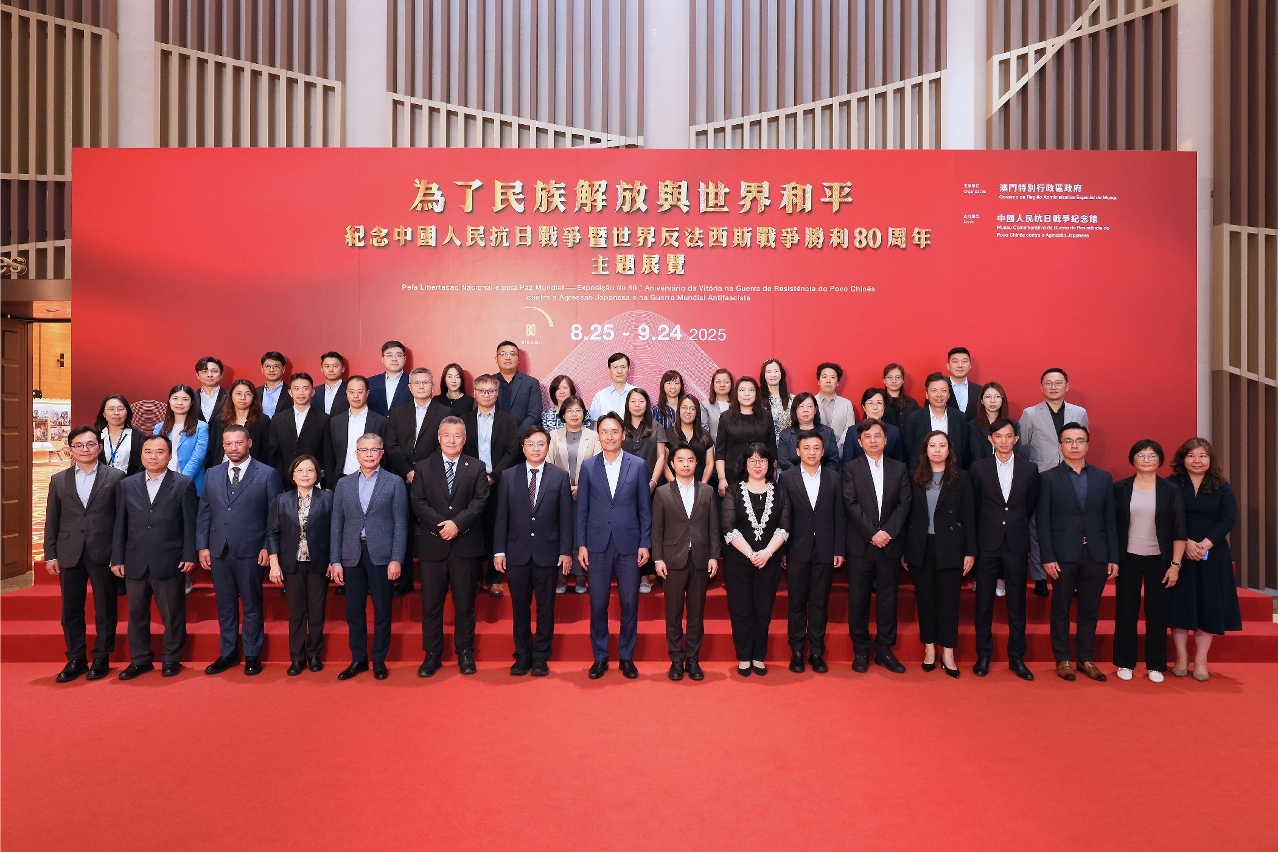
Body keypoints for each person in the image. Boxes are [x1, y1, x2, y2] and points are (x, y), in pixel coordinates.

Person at [110, 434, 199, 680]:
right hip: (135, 559)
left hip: (169, 559)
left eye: (160, 452)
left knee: (172, 613)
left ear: (169, 456)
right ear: (141, 455)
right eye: (148, 451)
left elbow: (190, 524)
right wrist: (117, 557)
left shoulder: (183, 484)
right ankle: (140, 660)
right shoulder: (127, 484)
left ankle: (171, 658)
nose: (153, 456)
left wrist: (189, 554)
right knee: (136, 614)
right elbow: (120, 524)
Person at [196, 424, 283, 676]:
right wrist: (202, 546)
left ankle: (253, 654)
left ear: (249, 443)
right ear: (223, 445)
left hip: (251, 550)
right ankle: (228, 654)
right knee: (225, 605)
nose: (233, 448)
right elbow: (204, 512)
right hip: (219, 549)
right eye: (228, 444)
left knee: (252, 605)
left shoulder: (267, 474)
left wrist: (268, 546)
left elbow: (274, 516)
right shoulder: (212, 473)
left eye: (238, 442)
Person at [1038, 423, 1119, 682]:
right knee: (1060, 609)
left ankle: (1085, 658)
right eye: (1069, 441)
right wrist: (1047, 556)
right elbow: (1042, 521)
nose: (1074, 446)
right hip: (1062, 555)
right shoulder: (1048, 478)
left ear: (1087, 445)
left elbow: (1110, 521)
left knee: (1090, 610)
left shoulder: (1103, 478)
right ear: (1060, 446)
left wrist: (1113, 556)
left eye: (1080, 440)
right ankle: (1063, 659)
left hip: (1096, 554)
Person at [44, 425, 126, 682]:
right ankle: (76, 658)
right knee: (70, 609)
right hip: (69, 551)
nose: (85, 449)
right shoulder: (59, 480)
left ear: (99, 447)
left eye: (90, 444)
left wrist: (118, 554)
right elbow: (52, 520)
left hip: (103, 551)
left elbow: (122, 520)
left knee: (105, 608)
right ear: (70, 450)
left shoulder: (116, 477)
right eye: (78, 445)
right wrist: (50, 554)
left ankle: (101, 657)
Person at [411, 416, 490, 677]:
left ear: (465, 439)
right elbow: (418, 502)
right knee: (431, 605)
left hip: (465, 545)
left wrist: (457, 524)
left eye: (457, 436)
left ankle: (465, 651)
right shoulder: (424, 467)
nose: (452, 440)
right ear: (439, 437)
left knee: (465, 603)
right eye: (447, 435)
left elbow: (480, 501)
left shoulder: (477, 466)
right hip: (433, 546)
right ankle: (432, 654)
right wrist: (442, 526)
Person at [493, 426, 574, 676]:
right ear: (523, 447)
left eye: (541, 444)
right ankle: (522, 655)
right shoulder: (509, 476)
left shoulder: (559, 477)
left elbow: (566, 519)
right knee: (520, 608)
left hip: (548, 553)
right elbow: (501, 517)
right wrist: (499, 551)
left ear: (548, 447)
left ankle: (541, 656)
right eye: (530, 444)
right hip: (516, 552)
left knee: (545, 608)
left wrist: (566, 551)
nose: (536, 448)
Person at [576, 412, 652, 680]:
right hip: (597, 545)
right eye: (604, 431)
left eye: (614, 431)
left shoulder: (638, 465)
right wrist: (581, 544)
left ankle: (627, 657)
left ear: (623, 434)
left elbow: (645, 509)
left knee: (630, 604)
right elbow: (582, 509)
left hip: (629, 545)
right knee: (598, 604)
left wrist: (645, 543)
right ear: (598, 435)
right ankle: (600, 657)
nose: (609, 436)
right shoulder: (588, 467)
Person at [329, 434, 408, 680]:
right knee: (354, 611)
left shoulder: (394, 482)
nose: (369, 454)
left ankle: (379, 660)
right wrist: (335, 561)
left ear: (382, 453)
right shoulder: (344, 484)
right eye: (364, 450)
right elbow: (336, 524)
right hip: (351, 554)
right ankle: (358, 659)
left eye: (374, 450)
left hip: (382, 555)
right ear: (356, 454)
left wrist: (396, 558)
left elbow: (401, 524)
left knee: (382, 611)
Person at [969, 418, 1041, 680]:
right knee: (983, 602)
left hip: (1016, 543)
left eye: (1008, 436)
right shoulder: (978, 468)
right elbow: (975, 506)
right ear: (990, 439)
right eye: (998, 436)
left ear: (1016, 439)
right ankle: (983, 655)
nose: (1003, 441)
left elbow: (1030, 505)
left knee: (1017, 603)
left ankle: (1016, 657)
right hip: (987, 543)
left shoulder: (1029, 469)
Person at [903, 431, 977, 677]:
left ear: (949, 450)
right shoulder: (914, 476)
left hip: (951, 547)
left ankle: (948, 653)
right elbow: (906, 515)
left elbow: (969, 516)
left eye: (941, 445)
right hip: (920, 546)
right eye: (932, 445)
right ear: (925, 450)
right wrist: (905, 550)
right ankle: (929, 649)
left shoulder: (961, 477)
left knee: (949, 603)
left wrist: (970, 551)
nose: (937, 450)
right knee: (925, 601)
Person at [1113, 439, 1187, 683]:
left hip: (1159, 559)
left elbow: (1179, 530)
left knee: (1157, 612)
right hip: (1128, 557)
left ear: (1160, 460)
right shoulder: (1120, 488)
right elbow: (1112, 526)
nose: (1146, 460)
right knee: (1126, 610)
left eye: (1152, 455)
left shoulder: (1170, 490)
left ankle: (1155, 665)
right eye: (1141, 455)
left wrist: (1175, 565)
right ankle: (1125, 662)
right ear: (1133, 459)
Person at [842, 418, 912, 674]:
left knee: (887, 599)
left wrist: (887, 533)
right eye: (868, 437)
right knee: (858, 600)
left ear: (886, 440)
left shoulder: (899, 468)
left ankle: (884, 648)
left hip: (890, 546)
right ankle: (861, 649)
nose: (873, 440)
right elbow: (850, 503)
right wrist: (872, 533)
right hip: (861, 545)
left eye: (877, 436)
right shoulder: (850, 468)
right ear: (860, 442)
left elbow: (904, 503)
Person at [1168, 438, 1241, 681]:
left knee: (1207, 604)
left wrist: (1205, 544)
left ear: (1210, 459)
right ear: (1183, 459)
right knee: (1179, 604)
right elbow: (1165, 517)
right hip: (1179, 551)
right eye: (1191, 456)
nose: (1197, 461)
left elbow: (1228, 519)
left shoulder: (1222, 486)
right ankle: (1181, 656)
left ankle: (1201, 658)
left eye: (1202, 456)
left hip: (1213, 553)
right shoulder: (1171, 484)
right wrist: (1186, 543)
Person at [651, 444, 721, 681]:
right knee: (673, 612)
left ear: (696, 463)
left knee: (696, 612)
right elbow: (657, 529)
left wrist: (714, 555)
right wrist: (658, 559)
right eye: (680, 460)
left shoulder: (707, 491)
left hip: (700, 559)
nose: (685, 464)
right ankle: (675, 659)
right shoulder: (662, 492)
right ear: (672, 464)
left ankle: (692, 658)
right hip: (672, 560)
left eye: (690, 460)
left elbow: (714, 527)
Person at [778, 429, 844, 673]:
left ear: (823, 451)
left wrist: (839, 548)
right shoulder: (787, 478)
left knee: (819, 603)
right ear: (798, 451)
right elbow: (782, 517)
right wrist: (783, 550)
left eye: (816, 448)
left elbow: (839, 515)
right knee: (796, 602)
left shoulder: (834, 478)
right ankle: (796, 651)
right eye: (807, 448)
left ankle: (816, 652)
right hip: (796, 548)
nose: (812, 452)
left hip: (825, 549)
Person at [721, 442, 791, 676]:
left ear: (770, 464)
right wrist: (751, 554)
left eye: (762, 460)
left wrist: (767, 553)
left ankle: (758, 656)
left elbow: (784, 526)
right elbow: (728, 527)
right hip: (738, 562)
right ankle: (743, 656)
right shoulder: (733, 491)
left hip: (769, 561)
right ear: (745, 464)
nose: (757, 465)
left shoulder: (780, 492)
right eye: (752, 460)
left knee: (763, 610)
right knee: (740, 610)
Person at [1020, 367, 1088, 595]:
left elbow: (1083, 441)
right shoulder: (1030, 413)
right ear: (1041, 387)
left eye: (1058, 382)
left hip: (1072, 475)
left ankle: (1073, 576)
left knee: (1072, 525)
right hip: (1041, 476)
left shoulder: (1079, 412)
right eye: (1048, 383)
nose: (1053, 387)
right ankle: (1039, 576)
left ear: (1067, 386)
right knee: (1037, 526)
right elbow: (1023, 445)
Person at [267, 455, 333, 675]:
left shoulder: (328, 498)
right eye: (300, 471)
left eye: (310, 470)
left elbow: (335, 532)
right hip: (291, 562)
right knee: (296, 612)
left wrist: (333, 560)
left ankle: (314, 654)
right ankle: (296, 657)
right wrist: (274, 563)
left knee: (317, 611)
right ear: (292, 475)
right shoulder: (281, 500)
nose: (305, 475)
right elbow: (272, 532)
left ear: (317, 474)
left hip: (319, 562)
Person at [465, 374, 521, 597]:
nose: (486, 395)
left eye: (491, 391)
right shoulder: (464, 420)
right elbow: (459, 450)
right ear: (474, 393)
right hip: (470, 483)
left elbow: (512, 451)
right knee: (473, 531)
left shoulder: (507, 420)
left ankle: (494, 579)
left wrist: (494, 476)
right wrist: (475, 476)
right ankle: (476, 578)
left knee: (496, 529)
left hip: (499, 483)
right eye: (482, 390)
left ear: (497, 394)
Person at [547, 395, 600, 594]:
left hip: (586, 493)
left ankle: (580, 574)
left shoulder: (593, 436)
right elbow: (548, 463)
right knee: (561, 530)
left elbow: (598, 465)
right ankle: (561, 574)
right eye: (570, 410)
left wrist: (581, 487)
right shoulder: (553, 436)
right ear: (563, 414)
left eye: (578, 410)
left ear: (584, 414)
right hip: (558, 492)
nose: (574, 414)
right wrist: (563, 487)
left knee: (581, 531)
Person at [623, 388, 667, 596]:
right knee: (628, 529)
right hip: (623, 487)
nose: (637, 405)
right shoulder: (620, 426)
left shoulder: (656, 426)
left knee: (648, 529)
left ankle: (645, 575)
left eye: (641, 401)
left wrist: (653, 482)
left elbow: (661, 457)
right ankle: (628, 573)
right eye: (633, 401)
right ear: (627, 404)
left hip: (651, 486)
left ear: (647, 404)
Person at [268, 373, 334, 489]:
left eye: (305, 388)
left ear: (312, 392)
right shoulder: (278, 419)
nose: (301, 393)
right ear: (290, 392)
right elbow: (274, 454)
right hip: (285, 482)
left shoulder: (324, 419)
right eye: (296, 389)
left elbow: (328, 454)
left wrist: (328, 485)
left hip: (313, 481)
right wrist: (277, 483)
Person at [715, 376, 777, 496]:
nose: (747, 394)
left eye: (751, 390)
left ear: (756, 393)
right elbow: (720, 452)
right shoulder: (726, 417)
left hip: (761, 474)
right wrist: (722, 479)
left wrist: (772, 473)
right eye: (742, 390)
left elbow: (772, 448)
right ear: (736, 393)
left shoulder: (766, 416)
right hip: (732, 474)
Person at [384, 367, 448, 480]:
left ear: (433, 386)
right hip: (400, 475)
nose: (421, 386)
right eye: (417, 383)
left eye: (425, 382)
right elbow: (391, 444)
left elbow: (443, 446)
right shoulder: (397, 412)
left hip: (431, 475)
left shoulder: (445, 413)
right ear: (410, 387)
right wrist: (407, 471)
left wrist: (422, 471)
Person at [903, 372, 969, 471]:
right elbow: (909, 448)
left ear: (949, 394)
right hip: (922, 472)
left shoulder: (960, 417)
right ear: (927, 394)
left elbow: (963, 448)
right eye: (934, 391)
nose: (939, 395)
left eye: (943, 390)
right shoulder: (914, 418)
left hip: (953, 471)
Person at [330, 375, 388, 481]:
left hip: (373, 477)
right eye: (351, 392)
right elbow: (331, 454)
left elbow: (386, 455)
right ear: (346, 394)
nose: (355, 396)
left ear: (367, 393)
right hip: (343, 477)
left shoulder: (381, 421)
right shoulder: (335, 421)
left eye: (360, 392)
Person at [207, 379, 273, 469]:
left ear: (253, 397)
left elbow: (266, 452)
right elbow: (213, 450)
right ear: (231, 396)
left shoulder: (262, 421)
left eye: (247, 394)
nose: (243, 398)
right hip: (222, 469)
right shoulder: (220, 420)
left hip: (252, 471)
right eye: (238, 393)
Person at [842, 389, 906, 465]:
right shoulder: (853, 431)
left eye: (879, 403)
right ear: (864, 407)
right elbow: (847, 462)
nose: (875, 407)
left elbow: (899, 463)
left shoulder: (894, 432)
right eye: (870, 403)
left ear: (884, 406)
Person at [777, 393, 839, 471]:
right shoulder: (785, 435)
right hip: (794, 477)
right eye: (801, 406)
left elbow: (833, 460)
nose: (805, 410)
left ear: (815, 410)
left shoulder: (828, 432)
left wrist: (820, 475)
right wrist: (801, 476)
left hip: (824, 476)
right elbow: (784, 462)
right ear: (795, 411)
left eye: (809, 406)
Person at [662, 394, 715, 485]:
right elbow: (664, 463)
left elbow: (710, 463)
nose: (688, 411)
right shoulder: (668, 434)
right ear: (678, 410)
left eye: (692, 409)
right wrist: (675, 486)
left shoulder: (704, 435)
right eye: (684, 408)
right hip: (673, 487)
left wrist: (702, 486)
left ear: (697, 412)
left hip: (700, 485)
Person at [494, 340, 541, 431]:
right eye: (503, 354)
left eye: (512, 354)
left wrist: (518, 435)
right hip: (492, 436)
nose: (508, 357)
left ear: (519, 359)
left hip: (522, 436)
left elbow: (534, 415)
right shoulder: (488, 383)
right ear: (496, 359)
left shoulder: (531, 383)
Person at [968, 381, 1017, 462]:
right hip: (981, 467)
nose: (993, 400)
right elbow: (975, 454)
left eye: (997, 396)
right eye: (988, 397)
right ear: (981, 400)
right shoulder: (973, 425)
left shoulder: (1013, 424)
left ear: (1002, 399)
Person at [96, 394, 143, 476]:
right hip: (102, 483)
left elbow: (142, 465)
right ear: (103, 413)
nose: (116, 413)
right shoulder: (96, 437)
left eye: (120, 409)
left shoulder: (138, 437)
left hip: (130, 482)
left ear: (127, 412)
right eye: (111, 409)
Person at [814, 363, 856, 454]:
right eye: (824, 377)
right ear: (818, 381)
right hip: (814, 454)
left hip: (840, 454)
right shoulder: (810, 403)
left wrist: (837, 449)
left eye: (832, 377)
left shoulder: (846, 404)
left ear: (837, 382)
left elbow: (849, 430)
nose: (828, 381)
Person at [366, 340, 412, 417]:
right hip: (376, 424)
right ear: (382, 359)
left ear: (405, 359)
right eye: (389, 355)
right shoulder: (370, 382)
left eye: (398, 355)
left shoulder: (413, 382)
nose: (394, 359)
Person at [588, 352, 637, 422]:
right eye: (615, 367)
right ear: (609, 370)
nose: (619, 371)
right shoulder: (600, 396)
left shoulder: (638, 394)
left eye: (623, 367)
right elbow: (594, 423)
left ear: (629, 370)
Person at [760, 358, 793, 441]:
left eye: (776, 371)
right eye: (769, 372)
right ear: (764, 375)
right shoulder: (757, 399)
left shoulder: (792, 399)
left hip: (787, 444)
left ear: (781, 374)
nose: (773, 375)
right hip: (764, 444)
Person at [880, 363, 920, 430]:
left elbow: (918, 427)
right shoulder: (877, 402)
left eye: (898, 377)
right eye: (890, 377)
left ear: (903, 380)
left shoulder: (912, 404)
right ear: (884, 380)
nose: (894, 381)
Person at [945, 347, 979, 421]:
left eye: (964, 361)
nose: (960, 365)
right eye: (955, 361)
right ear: (948, 366)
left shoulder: (979, 391)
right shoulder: (938, 389)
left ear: (970, 365)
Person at [701, 368, 734, 441]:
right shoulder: (705, 405)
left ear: (731, 384)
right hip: (714, 445)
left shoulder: (738, 404)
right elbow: (704, 430)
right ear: (713, 385)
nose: (722, 385)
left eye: (726, 382)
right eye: (718, 382)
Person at [194, 356, 227, 424]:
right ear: (197, 375)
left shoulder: (230, 397)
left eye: (214, 371)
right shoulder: (191, 397)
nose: (209, 375)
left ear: (221, 375)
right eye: (204, 371)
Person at [256, 351, 289, 418]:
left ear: (283, 369)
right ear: (262, 369)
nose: (271, 370)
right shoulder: (255, 392)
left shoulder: (291, 392)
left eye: (276, 366)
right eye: (267, 366)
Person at [318, 351, 349, 416]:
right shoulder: (315, 392)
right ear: (322, 369)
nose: (331, 370)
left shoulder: (350, 390)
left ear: (343, 368)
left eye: (335, 366)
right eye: (327, 366)